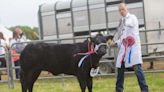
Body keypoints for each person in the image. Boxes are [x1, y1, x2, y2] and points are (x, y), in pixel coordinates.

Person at [111, 3, 149, 92]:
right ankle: (118, 90)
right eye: (119, 10)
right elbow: (122, 37)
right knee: (120, 69)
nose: (121, 11)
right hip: (124, 50)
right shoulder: (122, 21)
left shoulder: (132, 18)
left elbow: (129, 24)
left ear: (126, 8)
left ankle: (145, 89)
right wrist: (115, 43)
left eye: (122, 9)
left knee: (137, 70)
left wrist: (121, 23)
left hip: (133, 49)